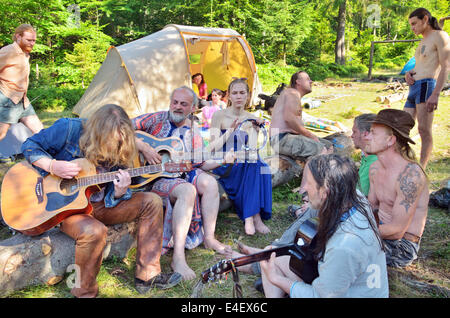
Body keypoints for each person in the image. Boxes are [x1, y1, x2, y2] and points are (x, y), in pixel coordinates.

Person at [20, 104, 181, 297]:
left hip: (98, 204)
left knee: (152, 201)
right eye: (110, 142)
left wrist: (120, 192)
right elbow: (29, 145)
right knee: (94, 231)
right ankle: (85, 292)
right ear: (97, 133)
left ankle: (148, 274)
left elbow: (112, 195)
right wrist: (52, 165)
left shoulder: (122, 146)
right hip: (63, 208)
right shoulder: (69, 128)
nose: (115, 147)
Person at [229, 154, 388, 298]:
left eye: (309, 184)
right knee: (273, 256)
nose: (304, 188)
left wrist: (276, 279)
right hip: (348, 285)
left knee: (274, 268)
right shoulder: (353, 197)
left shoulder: (344, 245)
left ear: (325, 192)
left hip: (342, 293)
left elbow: (319, 296)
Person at [133, 86, 232, 280]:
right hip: (153, 179)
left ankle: (209, 238)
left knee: (210, 183)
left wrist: (223, 160)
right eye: (175, 102)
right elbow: (120, 126)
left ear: (193, 107)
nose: (177, 107)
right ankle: (178, 256)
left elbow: (201, 162)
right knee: (187, 190)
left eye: (183, 104)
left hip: (182, 174)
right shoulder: (156, 119)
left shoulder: (193, 131)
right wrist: (143, 146)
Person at [365, 109, 429, 268]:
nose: (367, 136)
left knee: (345, 250)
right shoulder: (375, 168)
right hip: (379, 233)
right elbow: (370, 207)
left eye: (373, 133)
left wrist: (357, 232)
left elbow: (397, 230)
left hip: (402, 246)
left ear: (390, 140)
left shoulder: (410, 176)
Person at [208, 78, 272, 236]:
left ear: (248, 95)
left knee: (259, 164)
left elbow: (252, 149)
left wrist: (256, 131)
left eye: (242, 93)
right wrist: (229, 131)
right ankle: (253, 218)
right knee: (254, 164)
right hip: (224, 162)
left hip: (244, 160)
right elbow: (212, 148)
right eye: (234, 93)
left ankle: (252, 217)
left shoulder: (250, 117)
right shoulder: (219, 115)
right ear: (228, 96)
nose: (238, 96)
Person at [403, 8, 450, 169]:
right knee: (402, 127)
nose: (412, 28)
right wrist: (409, 73)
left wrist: (436, 94)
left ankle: (421, 169)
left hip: (426, 86)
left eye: (414, 23)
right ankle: (404, 162)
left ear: (425, 19)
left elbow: (446, 67)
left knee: (424, 129)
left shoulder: (440, 36)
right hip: (413, 87)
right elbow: (419, 65)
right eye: (410, 25)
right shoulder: (423, 40)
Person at [269, 70, 333, 161]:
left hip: (287, 137)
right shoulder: (292, 93)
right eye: (307, 79)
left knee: (328, 145)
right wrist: (310, 135)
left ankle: (310, 166)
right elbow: (289, 118)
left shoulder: (293, 95)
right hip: (281, 139)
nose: (311, 81)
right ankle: (314, 174)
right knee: (320, 149)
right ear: (298, 82)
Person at [0, 24, 43, 147]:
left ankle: (44, 158)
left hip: (23, 101)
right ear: (18, 36)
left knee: (40, 131)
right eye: (29, 40)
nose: (32, 43)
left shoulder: (24, 53)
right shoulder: (8, 51)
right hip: (7, 100)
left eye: (34, 40)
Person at [351, 113, 378, 197]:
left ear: (365, 134)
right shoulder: (367, 157)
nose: (351, 136)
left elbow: (359, 196)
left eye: (354, 132)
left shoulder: (373, 163)